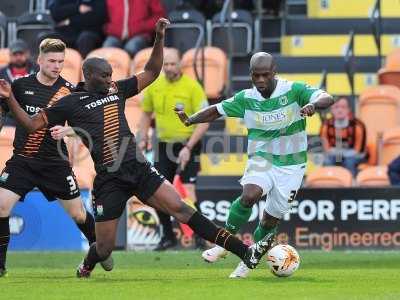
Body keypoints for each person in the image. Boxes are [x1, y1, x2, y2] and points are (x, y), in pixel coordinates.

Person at [0, 19, 274, 278]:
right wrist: (11, 98)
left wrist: (159, 38)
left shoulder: (117, 90)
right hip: (109, 179)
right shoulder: (70, 102)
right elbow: (33, 125)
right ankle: (87, 263)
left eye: (111, 75)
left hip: (138, 168)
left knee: (182, 209)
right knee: (104, 249)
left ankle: (244, 251)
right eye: (104, 76)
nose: (110, 79)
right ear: (89, 75)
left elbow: (152, 71)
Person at [175, 52, 334, 278]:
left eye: (265, 75)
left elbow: (327, 97)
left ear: (274, 72)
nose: (260, 80)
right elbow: (216, 110)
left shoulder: (293, 90)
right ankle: (224, 244)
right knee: (250, 195)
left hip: (292, 166)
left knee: (269, 220)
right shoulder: (246, 98)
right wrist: (190, 119)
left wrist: (312, 105)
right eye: (256, 76)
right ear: (251, 74)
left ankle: (247, 264)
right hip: (262, 159)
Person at [0, 38, 109, 278]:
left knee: (78, 214)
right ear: (39, 60)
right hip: (23, 160)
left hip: (55, 164)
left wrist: (68, 131)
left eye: (61, 61)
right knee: (0, 206)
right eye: (51, 61)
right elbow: (3, 112)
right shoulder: (19, 86)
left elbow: (83, 125)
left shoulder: (69, 91)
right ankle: (0, 267)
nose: (57, 66)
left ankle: (101, 249)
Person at [139, 47, 209, 250]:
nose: (169, 68)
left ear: (180, 65)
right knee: (158, 192)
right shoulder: (155, 86)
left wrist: (188, 147)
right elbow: (145, 114)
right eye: (166, 64)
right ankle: (168, 237)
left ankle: (199, 237)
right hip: (163, 145)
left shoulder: (192, 87)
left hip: (189, 144)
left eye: (172, 64)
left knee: (188, 191)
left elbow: (204, 121)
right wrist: (142, 138)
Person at [320, 96, 366, 176]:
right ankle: (329, 183)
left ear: (348, 110)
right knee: (327, 161)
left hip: (353, 155)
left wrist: (343, 153)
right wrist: (338, 153)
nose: (339, 110)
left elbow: (358, 151)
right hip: (333, 155)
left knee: (349, 161)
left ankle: (351, 184)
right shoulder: (326, 126)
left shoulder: (358, 126)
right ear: (331, 110)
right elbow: (327, 150)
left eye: (343, 107)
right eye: (336, 107)